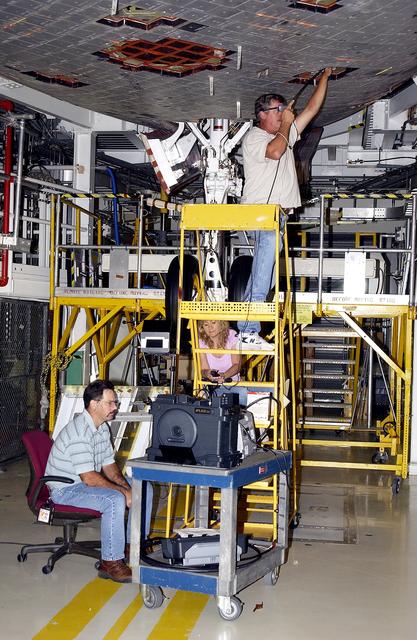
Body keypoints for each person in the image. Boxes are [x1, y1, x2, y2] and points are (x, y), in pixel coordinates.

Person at [237, 68, 333, 350]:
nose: (282, 113)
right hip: (260, 213)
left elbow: (313, 109)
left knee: (261, 272)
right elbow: (275, 152)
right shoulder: (255, 137)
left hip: (275, 215)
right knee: (263, 269)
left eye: (283, 109)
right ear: (262, 114)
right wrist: (285, 125)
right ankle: (248, 328)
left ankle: (245, 326)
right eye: (277, 109)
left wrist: (324, 78)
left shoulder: (284, 132)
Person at [45, 379, 142, 583]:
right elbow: (89, 478)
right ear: (94, 404)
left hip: (82, 484)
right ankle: (111, 562)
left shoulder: (102, 428)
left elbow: (110, 468)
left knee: (142, 489)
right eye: (110, 403)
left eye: (115, 402)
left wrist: (129, 488)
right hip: (66, 489)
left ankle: (132, 546)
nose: (115, 407)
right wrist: (123, 493)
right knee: (114, 500)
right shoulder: (80, 432)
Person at [198, 319, 246, 405]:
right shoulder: (201, 341)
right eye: (206, 324)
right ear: (202, 328)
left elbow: (237, 365)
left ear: (221, 323)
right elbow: (203, 369)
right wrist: (208, 374)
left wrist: (224, 375)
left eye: (213, 322)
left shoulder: (232, 334)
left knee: (270, 391)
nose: (210, 327)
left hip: (234, 384)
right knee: (243, 394)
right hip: (214, 388)